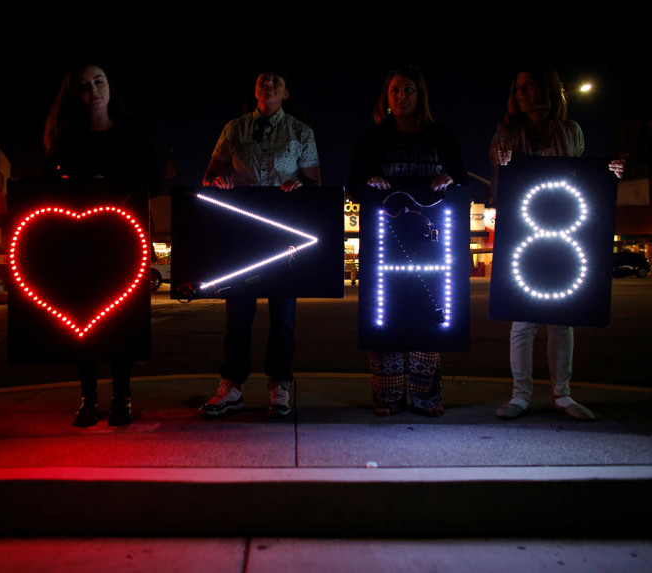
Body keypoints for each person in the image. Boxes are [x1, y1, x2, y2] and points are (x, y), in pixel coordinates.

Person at [490, 61, 623, 422]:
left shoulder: (570, 131)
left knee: (561, 319)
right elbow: (502, 186)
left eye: (529, 85)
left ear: (547, 90)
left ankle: (561, 394)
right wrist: (503, 165)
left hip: (565, 227)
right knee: (522, 321)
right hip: (524, 231)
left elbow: (584, 178)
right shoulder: (506, 135)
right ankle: (521, 394)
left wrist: (610, 176)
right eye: (518, 86)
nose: (522, 92)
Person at [200, 66, 321, 418]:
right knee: (237, 313)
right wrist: (217, 180)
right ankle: (232, 386)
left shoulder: (301, 132)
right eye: (263, 80)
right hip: (243, 232)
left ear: (286, 94)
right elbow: (210, 173)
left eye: (276, 81)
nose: (268, 84)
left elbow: (314, 184)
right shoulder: (234, 129)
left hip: (285, 235)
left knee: (283, 314)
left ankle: (279, 384)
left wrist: (299, 187)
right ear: (255, 90)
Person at [43, 61, 159, 427]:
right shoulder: (66, 137)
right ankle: (88, 398)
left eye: (100, 81)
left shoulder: (132, 132)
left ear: (110, 86)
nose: (93, 90)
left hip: (124, 237)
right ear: (74, 94)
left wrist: (114, 186)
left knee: (121, 318)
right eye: (84, 85)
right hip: (80, 240)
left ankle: (122, 397)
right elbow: (50, 186)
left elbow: (153, 183)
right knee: (83, 316)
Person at [348, 65, 468, 416]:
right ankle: (388, 396)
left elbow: (460, 179)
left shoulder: (442, 136)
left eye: (409, 89)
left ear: (421, 94)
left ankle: (426, 396)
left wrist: (449, 178)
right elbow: (353, 184)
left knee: (429, 314)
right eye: (395, 90)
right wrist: (370, 182)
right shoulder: (373, 138)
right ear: (387, 97)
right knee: (384, 314)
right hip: (384, 238)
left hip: (431, 240)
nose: (402, 96)